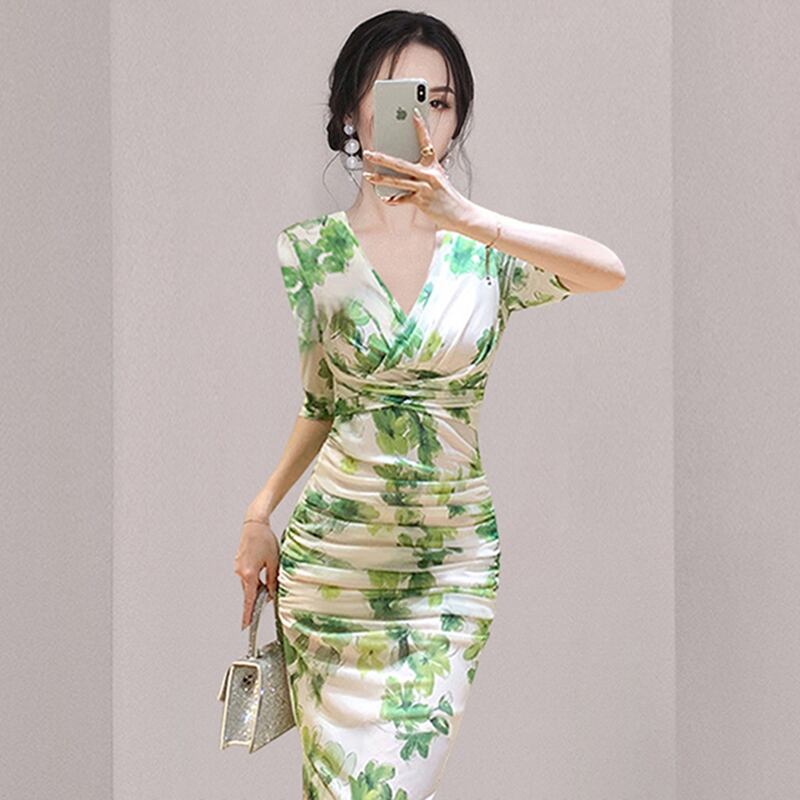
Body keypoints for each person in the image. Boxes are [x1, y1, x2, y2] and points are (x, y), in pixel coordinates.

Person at [234, 9, 624, 799]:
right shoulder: (310, 251)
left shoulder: (486, 253)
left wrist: (468, 217)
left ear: (455, 118)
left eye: (440, 102)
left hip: (449, 569)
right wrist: (259, 512)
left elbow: (607, 270)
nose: (422, 119)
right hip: (333, 567)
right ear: (353, 112)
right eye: (400, 97)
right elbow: (321, 403)